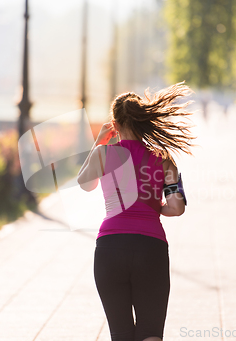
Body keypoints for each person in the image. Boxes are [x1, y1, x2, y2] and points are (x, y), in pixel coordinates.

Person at [77, 82, 196, 341]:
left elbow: (84, 184)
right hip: (150, 247)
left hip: (110, 248)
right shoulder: (164, 159)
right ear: (143, 121)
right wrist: (154, 207)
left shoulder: (104, 153)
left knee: (121, 334)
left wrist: (99, 143)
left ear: (115, 124)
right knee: (150, 333)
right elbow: (177, 208)